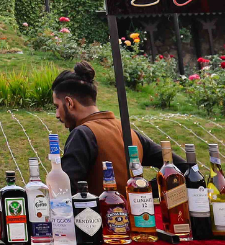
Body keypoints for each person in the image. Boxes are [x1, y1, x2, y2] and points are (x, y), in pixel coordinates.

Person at [52, 61, 184, 195]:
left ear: (69, 103)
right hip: (136, 209)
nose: (57, 114)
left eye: (57, 106)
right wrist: (144, 189)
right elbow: (182, 168)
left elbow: (64, 191)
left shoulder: (82, 134)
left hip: (98, 209)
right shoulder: (129, 133)